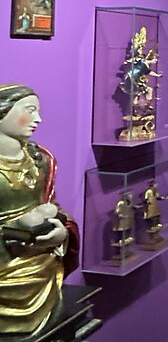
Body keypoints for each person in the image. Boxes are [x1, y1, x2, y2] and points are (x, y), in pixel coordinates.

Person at [0, 84, 79, 334]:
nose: (39, 119)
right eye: (30, 110)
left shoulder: (41, 160)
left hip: (43, 268)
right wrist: (16, 229)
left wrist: (61, 233)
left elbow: (53, 207)